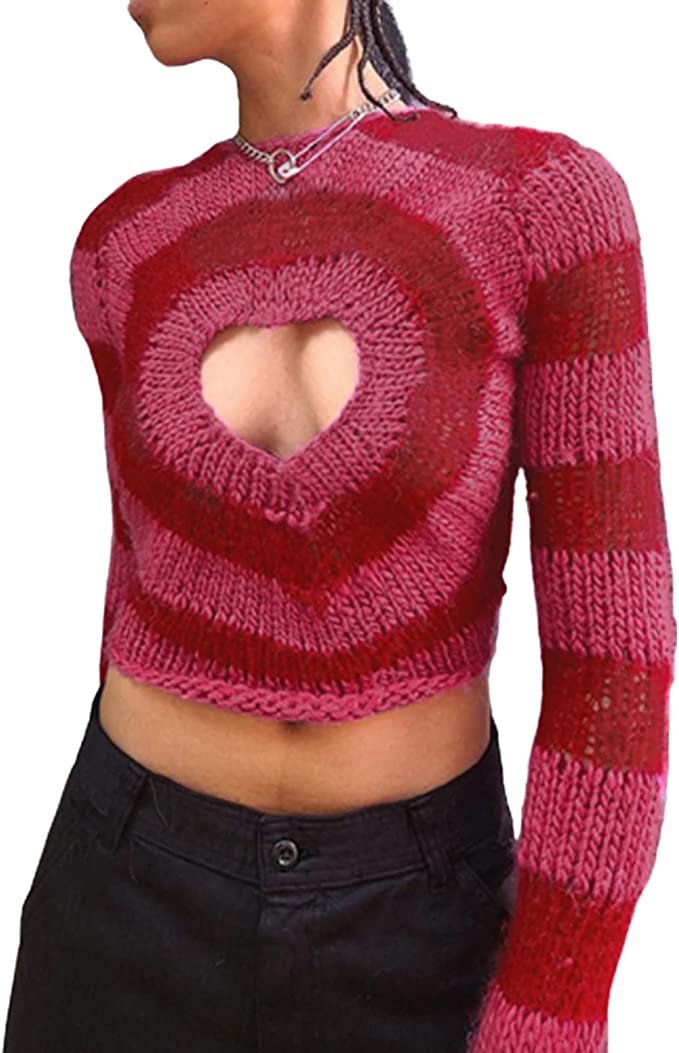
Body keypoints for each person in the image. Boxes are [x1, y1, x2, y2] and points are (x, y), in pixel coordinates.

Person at [3, 2, 675, 1051]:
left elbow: (615, 658)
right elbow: (138, 583)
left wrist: (555, 1007)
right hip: (121, 892)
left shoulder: (534, 205)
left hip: (420, 924)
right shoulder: (121, 244)